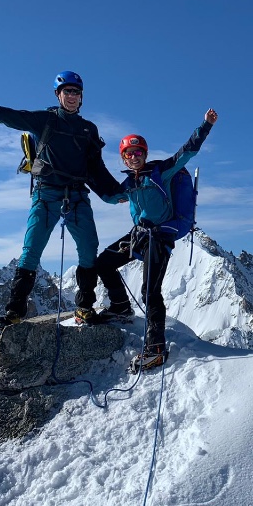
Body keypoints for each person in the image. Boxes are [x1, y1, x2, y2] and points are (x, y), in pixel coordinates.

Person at [0, 71, 121, 332]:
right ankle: (14, 312)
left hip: (76, 195)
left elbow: (97, 169)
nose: (72, 97)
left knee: (88, 249)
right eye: (67, 92)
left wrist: (115, 193)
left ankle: (84, 307)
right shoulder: (44, 120)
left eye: (76, 92)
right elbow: (7, 116)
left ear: (81, 97)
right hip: (46, 193)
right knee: (31, 251)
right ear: (58, 95)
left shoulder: (89, 130)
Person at [81, 108, 218, 371]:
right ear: (123, 158)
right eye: (128, 154)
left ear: (145, 153)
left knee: (149, 291)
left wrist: (205, 126)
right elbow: (111, 198)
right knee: (103, 263)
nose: (133, 157)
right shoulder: (129, 183)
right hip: (140, 235)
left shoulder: (162, 171)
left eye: (137, 152)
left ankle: (155, 348)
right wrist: (85, 177)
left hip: (160, 236)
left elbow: (187, 152)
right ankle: (120, 306)